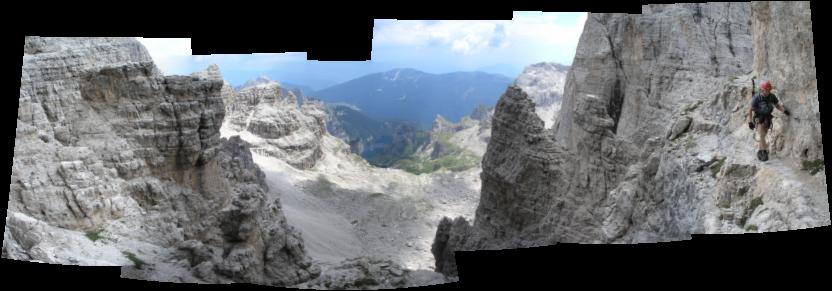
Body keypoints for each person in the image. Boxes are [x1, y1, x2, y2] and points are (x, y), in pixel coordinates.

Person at [747, 81, 790, 161]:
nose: (768, 92)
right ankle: (764, 152)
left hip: (767, 118)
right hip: (758, 117)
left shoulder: (771, 96)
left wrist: (784, 111)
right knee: (762, 134)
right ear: (762, 90)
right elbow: (750, 110)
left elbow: (777, 105)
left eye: (769, 90)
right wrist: (750, 122)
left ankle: (760, 151)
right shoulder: (757, 98)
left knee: (764, 134)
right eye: (766, 90)